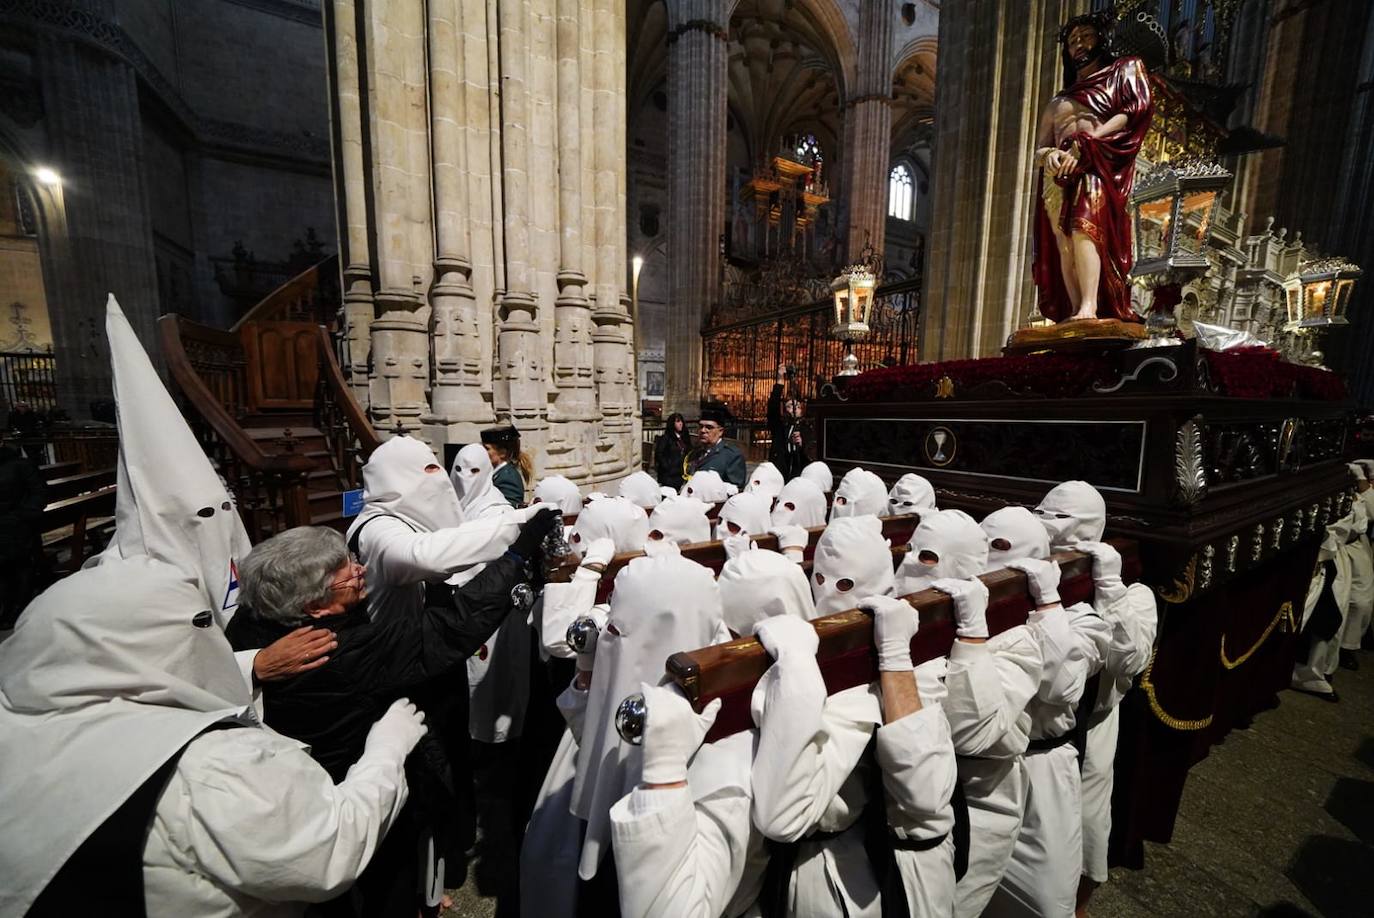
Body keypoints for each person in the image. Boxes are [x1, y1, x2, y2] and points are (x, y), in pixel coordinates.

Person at [0, 556, 428, 918]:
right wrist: (386, 751)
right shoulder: (209, 766)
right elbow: (330, 848)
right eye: (200, 625)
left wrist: (253, 667)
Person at [225, 517, 555, 917]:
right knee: (387, 885)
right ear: (314, 605)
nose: (360, 569)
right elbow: (454, 625)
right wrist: (517, 556)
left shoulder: (249, 625)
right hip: (359, 789)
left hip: (300, 791)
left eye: (350, 558)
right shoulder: (340, 649)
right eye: (343, 573)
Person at [1032, 11, 1154, 323]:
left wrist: (1087, 142)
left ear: (1101, 38)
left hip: (1093, 165)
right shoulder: (1057, 102)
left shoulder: (1122, 71)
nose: (1079, 44)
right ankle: (1073, 310)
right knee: (1063, 243)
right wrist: (1048, 156)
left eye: (1086, 36)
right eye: (1073, 41)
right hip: (1058, 175)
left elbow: (1132, 111)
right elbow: (1041, 146)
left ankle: (1089, 307)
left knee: (1084, 229)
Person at [0, 428, 45, 629]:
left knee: (19, 566)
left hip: (16, 525)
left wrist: (23, 516)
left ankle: (19, 605)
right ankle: (6, 606)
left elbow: (39, 492)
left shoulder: (19, 464)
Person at [686, 407, 747, 491]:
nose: (703, 430)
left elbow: (735, 489)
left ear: (720, 431)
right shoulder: (695, 452)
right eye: (700, 426)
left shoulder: (732, 456)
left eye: (709, 427)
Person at [767, 368, 809, 481]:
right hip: (780, 473)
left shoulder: (808, 427)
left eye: (797, 407)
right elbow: (772, 407)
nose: (794, 409)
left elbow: (813, 451)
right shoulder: (780, 427)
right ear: (785, 410)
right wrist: (780, 381)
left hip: (799, 474)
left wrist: (802, 444)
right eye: (790, 406)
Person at [483, 424, 531, 507]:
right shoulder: (498, 474)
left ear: (502, 453)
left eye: (487, 449)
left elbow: (508, 511)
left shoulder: (508, 477)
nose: (482, 452)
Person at [654, 413, 692, 491]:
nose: (681, 423)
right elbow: (659, 453)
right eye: (677, 421)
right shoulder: (666, 438)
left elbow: (689, 451)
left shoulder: (684, 437)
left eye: (681, 421)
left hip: (681, 473)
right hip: (669, 475)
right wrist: (667, 466)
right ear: (672, 423)